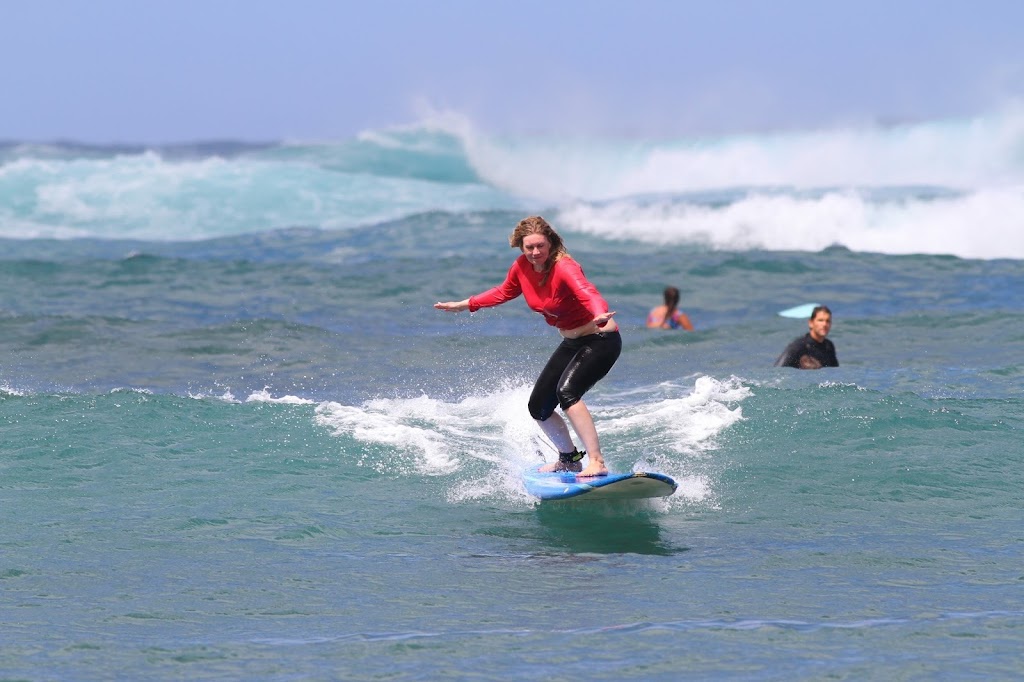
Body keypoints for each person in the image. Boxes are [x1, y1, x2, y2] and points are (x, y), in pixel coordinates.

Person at [434, 216, 620, 477]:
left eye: (540, 246)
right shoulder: (522, 267)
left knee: (567, 393)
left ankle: (597, 462)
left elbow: (587, 292)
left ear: (551, 243)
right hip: (572, 341)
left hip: (600, 340)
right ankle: (569, 459)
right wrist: (465, 304)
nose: (535, 252)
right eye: (529, 247)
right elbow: (503, 292)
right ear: (520, 247)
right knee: (539, 407)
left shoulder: (565, 267)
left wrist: (599, 313)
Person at [775, 305, 839, 369]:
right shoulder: (798, 347)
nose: (824, 324)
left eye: (828, 321)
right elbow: (778, 370)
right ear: (811, 323)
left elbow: (835, 372)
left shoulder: (829, 346)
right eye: (820, 320)